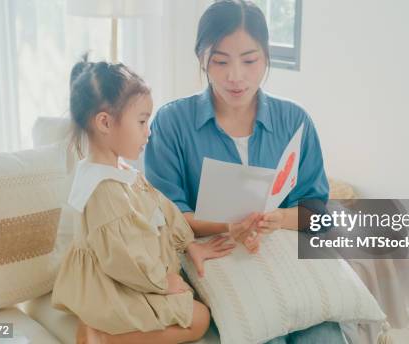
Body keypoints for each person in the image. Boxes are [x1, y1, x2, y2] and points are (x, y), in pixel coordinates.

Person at [145, 1, 344, 343]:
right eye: (221, 61)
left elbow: (318, 215)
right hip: (221, 266)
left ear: (266, 57)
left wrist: (277, 219)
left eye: (250, 60)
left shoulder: (295, 121)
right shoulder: (172, 123)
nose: (235, 76)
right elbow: (166, 216)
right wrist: (229, 226)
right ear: (202, 59)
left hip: (286, 262)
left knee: (324, 334)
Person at [51, 55, 235, 344]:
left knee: (199, 304)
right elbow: (124, 260)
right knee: (200, 319)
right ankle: (102, 337)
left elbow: (162, 209)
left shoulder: (122, 171)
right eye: (141, 121)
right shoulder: (104, 190)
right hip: (115, 285)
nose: (148, 132)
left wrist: (189, 245)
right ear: (105, 123)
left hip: (132, 276)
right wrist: (163, 283)